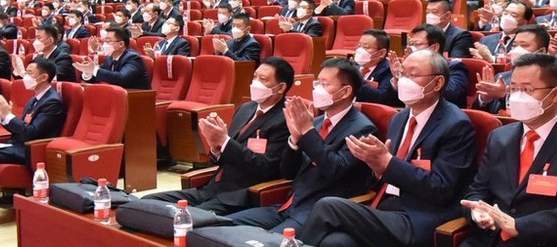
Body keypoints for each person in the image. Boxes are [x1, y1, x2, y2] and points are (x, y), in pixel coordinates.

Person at [298, 50, 476, 247]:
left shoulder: (456, 125)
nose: (403, 81)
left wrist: (387, 163)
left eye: (412, 75)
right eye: (402, 73)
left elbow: (442, 189)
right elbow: (381, 177)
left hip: (420, 217)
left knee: (328, 206)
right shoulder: (399, 118)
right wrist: (377, 168)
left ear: (437, 83)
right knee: (334, 242)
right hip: (386, 208)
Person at [459, 53, 557, 247]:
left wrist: (520, 226)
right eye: (514, 89)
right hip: (488, 239)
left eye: (527, 90)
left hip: (544, 241)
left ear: (555, 94)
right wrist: (477, 212)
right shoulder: (499, 137)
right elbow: (478, 190)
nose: (517, 97)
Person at [227, 58, 379, 233]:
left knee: (263, 241)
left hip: (317, 214)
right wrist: (294, 141)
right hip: (288, 206)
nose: (318, 89)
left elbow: (335, 169)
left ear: (345, 91)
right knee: (224, 227)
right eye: (317, 83)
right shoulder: (316, 122)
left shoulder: (362, 129)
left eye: (325, 84)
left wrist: (307, 132)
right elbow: (288, 173)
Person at [144, 58, 294, 214]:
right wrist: (216, 147)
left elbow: (265, 167)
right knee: (147, 203)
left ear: (280, 87)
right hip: (211, 188)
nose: (255, 83)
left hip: (239, 195)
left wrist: (224, 141)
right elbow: (226, 156)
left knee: (183, 218)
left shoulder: (285, 119)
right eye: (255, 77)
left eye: (263, 79)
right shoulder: (246, 108)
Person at [0, 61, 66, 228]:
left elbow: (31, 133)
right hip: (15, 144)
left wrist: (9, 116)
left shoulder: (52, 102)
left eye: (30, 73)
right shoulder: (35, 99)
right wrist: (3, 117)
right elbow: (21, 129)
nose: (25, 76)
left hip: (29, 150)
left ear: (43, 77)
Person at [406, 25, 472, 108]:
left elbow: (452, 95)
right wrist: (399, 77)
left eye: (417, 44)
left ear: (434, 48)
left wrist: (423, 71)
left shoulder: (455, 67)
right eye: (411, 44)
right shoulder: (407, 68)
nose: (411, 48)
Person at [72, 27, 150, 89]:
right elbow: (100, 76)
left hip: (136, 98)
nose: (104, 45)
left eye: (108, 41)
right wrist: (88, 72)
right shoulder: (109, 58)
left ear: (121, 44)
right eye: (104, 41)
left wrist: (94, 70)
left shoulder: (133, 58)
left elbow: (122, 78)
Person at [351, 30, 400, 106]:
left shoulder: (389, 69)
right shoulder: (353, 66)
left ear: (382, 53)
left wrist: (354, 80)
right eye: (359, 46)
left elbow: (382, 97)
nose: (360, 51)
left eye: (366, 47)